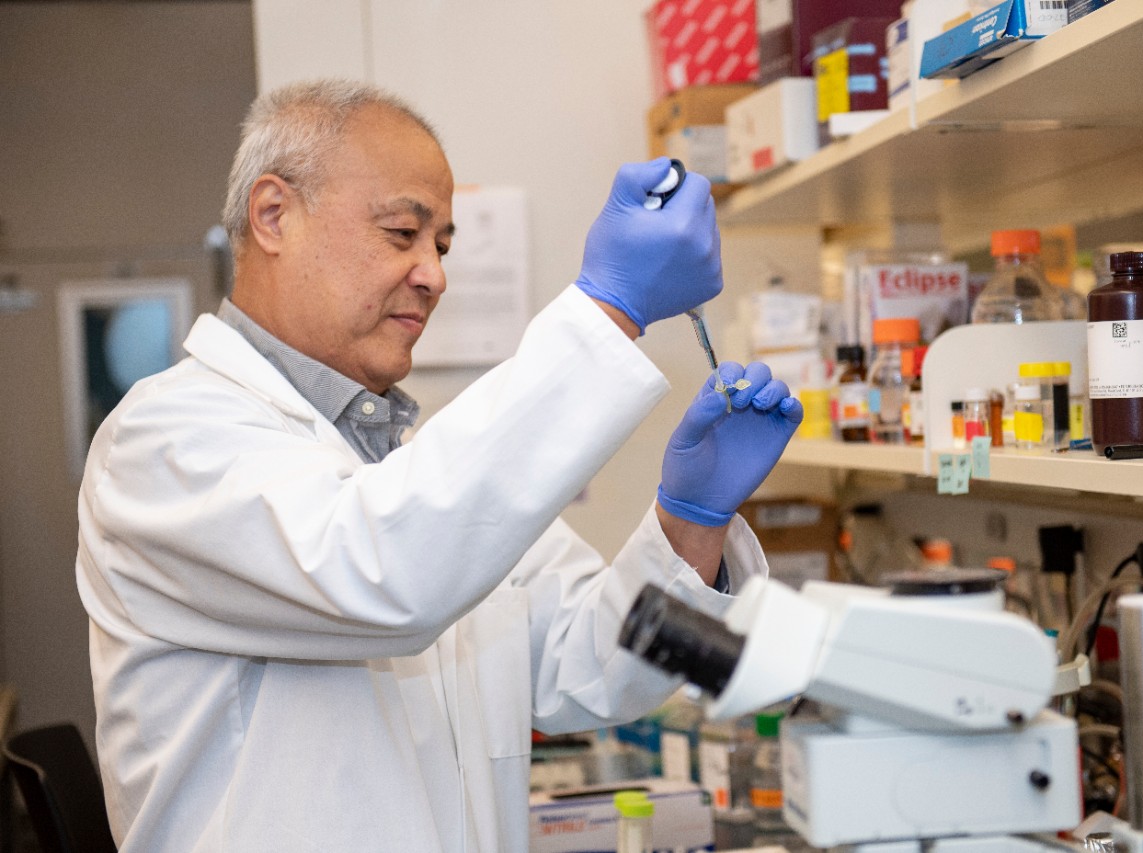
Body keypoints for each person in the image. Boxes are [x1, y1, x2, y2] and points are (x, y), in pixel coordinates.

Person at [76, 79, 801, 852]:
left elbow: (584, 665)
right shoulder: (163, 442)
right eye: (401, 233)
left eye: (443, 244)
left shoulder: (410, 464)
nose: (435, 274)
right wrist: (609, 309)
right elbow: (383, 571)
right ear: (273, 215)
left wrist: (692, 524)